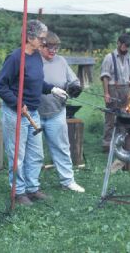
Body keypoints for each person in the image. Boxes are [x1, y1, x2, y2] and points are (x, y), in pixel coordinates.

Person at [0, 20, 68, 206]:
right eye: (42, 38)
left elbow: (36, 82)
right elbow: (0, 86)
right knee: (17, 155)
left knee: (36, 154)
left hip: (33, 112)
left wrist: (52, 89)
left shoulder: (36, 56)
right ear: (30, 37)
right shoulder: (15, 58)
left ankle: (32, 188)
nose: (44, 42)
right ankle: (18, 193)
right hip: (16, 113)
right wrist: (16, 103)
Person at [38, 31, 85, 193]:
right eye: (49, 48)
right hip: (33, 113)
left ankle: (68, 181)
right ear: (40, 45)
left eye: (56, 48)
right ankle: (30, 185)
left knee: (62, 147)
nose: (53, 51)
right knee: (33, 152)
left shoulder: (61, 61)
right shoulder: (33, 61)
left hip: (56, 112)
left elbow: (74, 81)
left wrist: (75, 87)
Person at [100, 33, 130, 152]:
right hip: (113, 89)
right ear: (119, 43)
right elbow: (105, 76)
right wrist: (106, 93)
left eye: (128, 47)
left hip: (125, 89)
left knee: (124, 117)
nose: (126, 49)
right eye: (125, 46)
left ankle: (121, 142)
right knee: (110, 117)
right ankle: (107, 144)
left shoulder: (129, 57)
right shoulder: (109, 57)